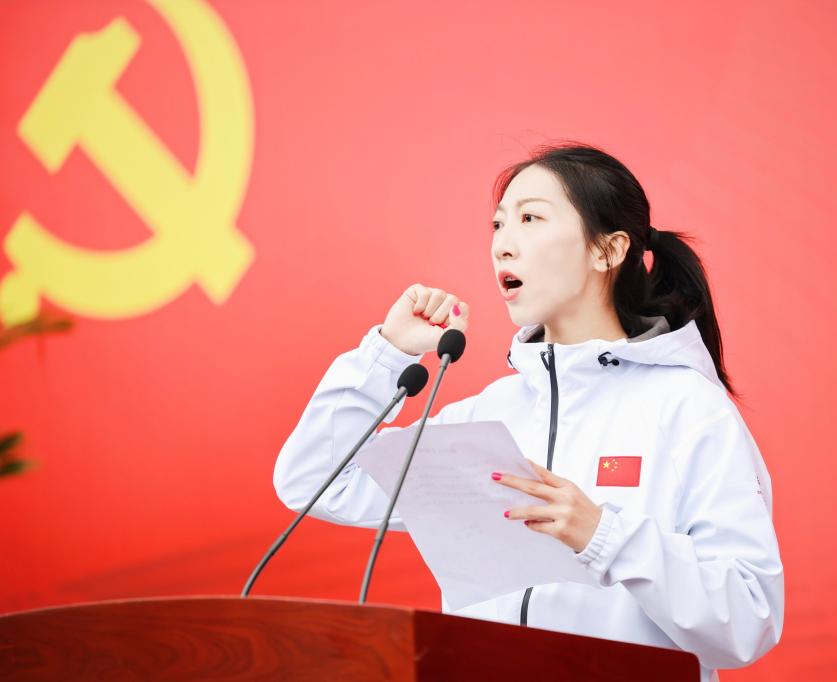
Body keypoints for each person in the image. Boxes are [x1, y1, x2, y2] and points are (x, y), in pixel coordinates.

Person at [273, 142, 784, 681]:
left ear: (607, 250)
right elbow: (317, 480)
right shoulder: (486, 417)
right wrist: (388, 353)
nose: (502, 244)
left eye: (530, 219)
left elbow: (748, 622)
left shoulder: (687, 409)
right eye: (497, 224)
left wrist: (605, 537)